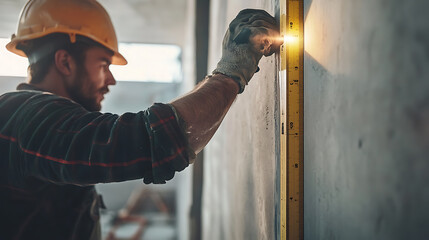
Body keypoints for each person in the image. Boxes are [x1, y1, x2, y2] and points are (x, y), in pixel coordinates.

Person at [0, 0, 281, 239]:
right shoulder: (27, 115)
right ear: (65, 62)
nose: (110, 80)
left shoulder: (29, 121)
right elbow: (149, 140)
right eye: (103, 64)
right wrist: (232, 71)